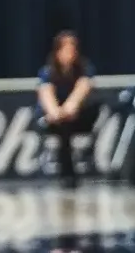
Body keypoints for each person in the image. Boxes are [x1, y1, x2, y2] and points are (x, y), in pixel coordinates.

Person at [38, 30, 96, 188]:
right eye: (66, 49)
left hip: (76, 115)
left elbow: (81, 91)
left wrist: (67, 110)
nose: (71, 53)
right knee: (63, 127)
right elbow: (46, 94)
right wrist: (56, 112)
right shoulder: (47, 72)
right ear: (57, 52)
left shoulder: (84, 70)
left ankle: (70, 174)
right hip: (56, 119)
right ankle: (67, 175)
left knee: (69, 123)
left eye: (73, 49)